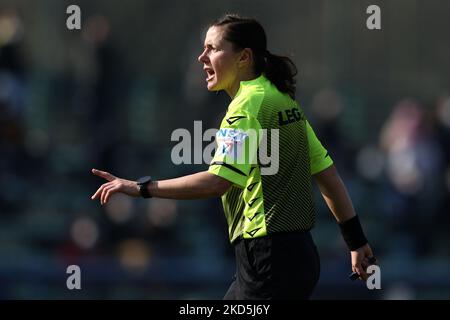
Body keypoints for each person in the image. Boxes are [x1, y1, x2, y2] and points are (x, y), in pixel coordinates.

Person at [91, 14, 376, 300]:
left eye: (213, 48)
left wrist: (142, 188)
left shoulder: (247, 106)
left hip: (269, 260)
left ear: (243, 58)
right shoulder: (282, 100)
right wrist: (356, 240)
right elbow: (328, 177)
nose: (202, 57)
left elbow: (218, 182)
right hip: (297, 256)